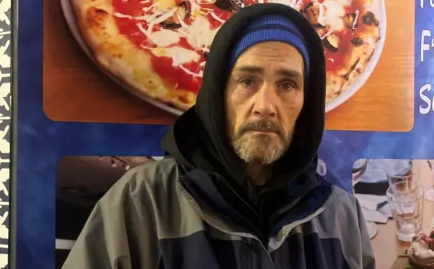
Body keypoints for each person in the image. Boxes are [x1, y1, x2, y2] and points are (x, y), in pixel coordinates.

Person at [62, 3, 375, 269]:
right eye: (247, 80)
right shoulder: (139, 201)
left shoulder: (341, 216)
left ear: (307, 103)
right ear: (217, 93)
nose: (265, 106)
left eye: (287, 85)